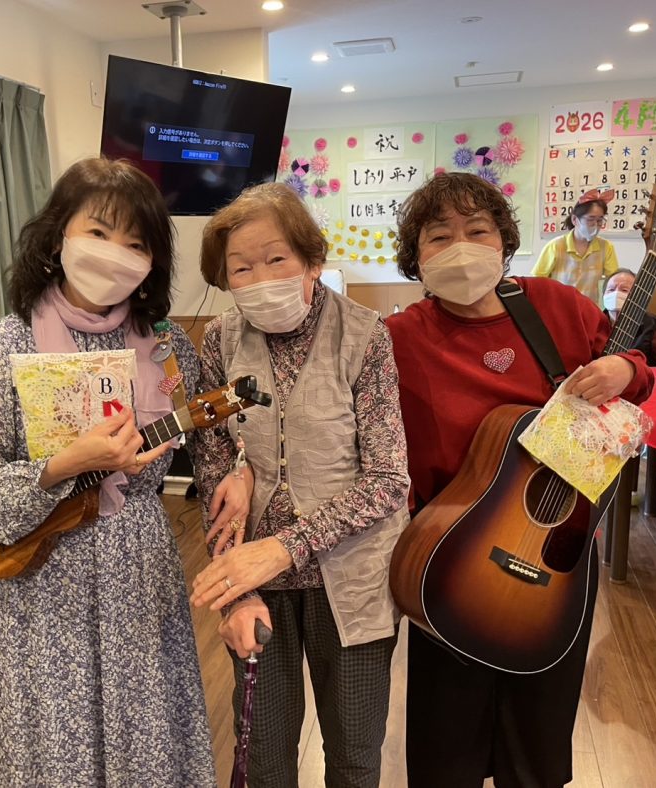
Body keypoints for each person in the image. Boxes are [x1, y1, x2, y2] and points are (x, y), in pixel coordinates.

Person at [0, 158, 214, 786]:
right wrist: (64, 466)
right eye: (98, 232)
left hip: (138, 574)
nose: (115, 254)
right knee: (51, 749)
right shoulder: (4, 345)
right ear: (58, 234)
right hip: (40, 580)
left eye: (136, 243)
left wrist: (239, 470)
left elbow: (206, 443)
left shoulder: (169, 347)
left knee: (147, 740)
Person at [387, 172, 653, 787]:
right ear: (416, 256)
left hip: (557, 549)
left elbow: (641, 370)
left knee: (539, 729)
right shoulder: (399, 339)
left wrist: (624, 368)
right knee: (445, 734)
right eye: (439, 236)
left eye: (478, 231)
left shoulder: (558, 306)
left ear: (505, 242)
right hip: (451, 554)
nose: (461, 247)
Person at [189, 182, 410, 787]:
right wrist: (235, 592)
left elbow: (388, 480)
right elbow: (212, 468)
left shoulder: (364, 335)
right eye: (241, 268)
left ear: (313, 260)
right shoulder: (221, 340)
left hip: (354, 579)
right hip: (259, 587)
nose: (260, 278)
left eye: (277, 258)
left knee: (355, 756)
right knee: (263, 756)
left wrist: (284, 547)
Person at [532, 188, 619, 304]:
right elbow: (537, 282)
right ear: (575, 220)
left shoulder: (606, 247)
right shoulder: (556, 246)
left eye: (600, 221)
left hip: (589, 309)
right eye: (590, 219)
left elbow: (614, 281)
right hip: (559, 308)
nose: (596, 225)